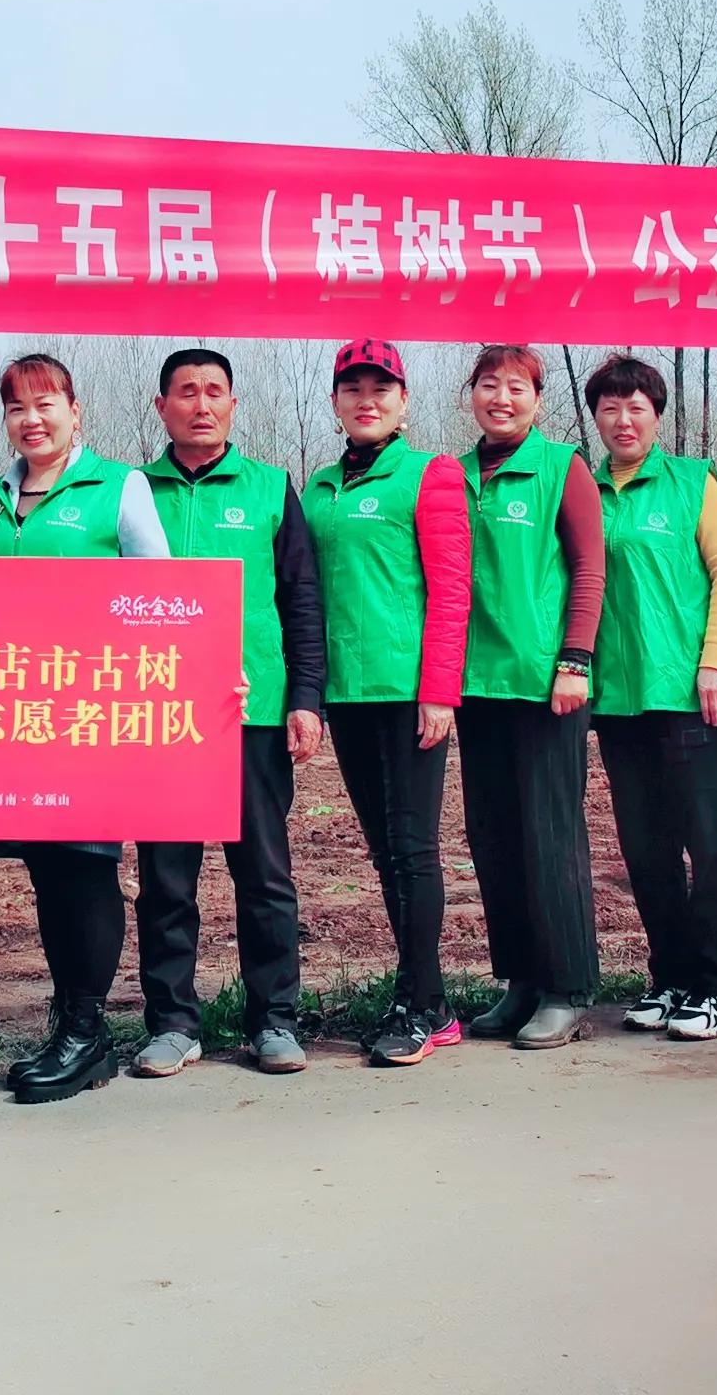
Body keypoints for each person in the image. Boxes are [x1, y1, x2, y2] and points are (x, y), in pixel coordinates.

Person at [0, 353, 170, 1103]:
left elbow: (163, 602)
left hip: (93, 719)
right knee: (47, 871)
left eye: (46, 403)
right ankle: (72, 1025)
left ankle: (86, 1030)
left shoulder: (119, 487)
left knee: (87, 865)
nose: (32, 419)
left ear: (75, 412)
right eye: (17, 407)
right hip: (16, 721)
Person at [129, 348, 330, 1078]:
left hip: (253, 712)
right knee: (165, 877)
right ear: (162, 407)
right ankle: (172, 1023)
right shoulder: (131, 492)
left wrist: (305, 699)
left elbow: (301, 600)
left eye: (215, 391)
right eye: (186, 392)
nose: (201, 404)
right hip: (159, 714)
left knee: (264, 873)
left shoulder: (270, 488)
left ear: (233, 405)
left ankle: (274, 1019)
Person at [300, 340, 472, 1066]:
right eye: (353, 389)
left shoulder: (430, 475)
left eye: (381, 389)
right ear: (336, 402)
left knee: (412, 848)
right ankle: (426, 998)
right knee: (383, 852)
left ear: (403, 402)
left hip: (407, 694)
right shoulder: (317, 488)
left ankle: (422, 1003)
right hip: (348, 693)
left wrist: (439, 691)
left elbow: (452, 589)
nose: (366, 400)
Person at [582, 354, 717, 1043]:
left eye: (637, 408)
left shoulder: (692, 483)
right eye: (610, 409)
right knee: (646, 850)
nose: (624, 420)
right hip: (619, 702)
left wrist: (714, 663)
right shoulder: (584, 489)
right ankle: (672, 977)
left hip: (689, 694)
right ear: (596, 417)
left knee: (710, 845)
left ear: (657, 415)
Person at [454, 344, 607, 1052]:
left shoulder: (561, 468)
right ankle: (521, 979)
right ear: (472, 396)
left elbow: (589, 568)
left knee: (550, 834)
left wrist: (575, 659)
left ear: (538, 400)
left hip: (545, 684)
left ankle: (568, 986)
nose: (502, 399)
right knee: (494, 836)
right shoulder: (453, 475)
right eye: (489, 386)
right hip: (473, 682)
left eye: (517, 388)